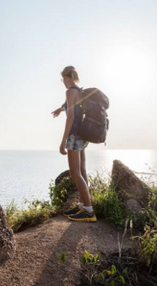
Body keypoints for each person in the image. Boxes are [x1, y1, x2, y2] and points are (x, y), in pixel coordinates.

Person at [51, 66, 96, 222]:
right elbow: (70, 106)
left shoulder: (70, 91)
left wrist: (63, 141)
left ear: (65, 77)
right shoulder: (79, 90)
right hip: (83, 135)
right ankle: (83, 206)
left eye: (62, 79)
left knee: (75, 173)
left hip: (74, 135)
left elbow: (70, 117)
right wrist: (59, 109)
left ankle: (89, 211)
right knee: (82, 170)